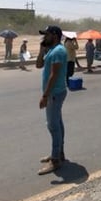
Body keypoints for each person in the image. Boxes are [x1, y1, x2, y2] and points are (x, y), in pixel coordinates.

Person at [35, 25, 68, 175]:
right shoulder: (51, 50)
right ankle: (59, 153)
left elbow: (53, 76)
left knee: (53, 126)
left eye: (46, 35)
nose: (44, 37)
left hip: (54, 94)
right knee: (58, 124)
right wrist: (42, 50)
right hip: (53, 93)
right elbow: (38, 65)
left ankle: (55, 160)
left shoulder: (59, 51)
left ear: (54, 35)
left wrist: (45, 96)